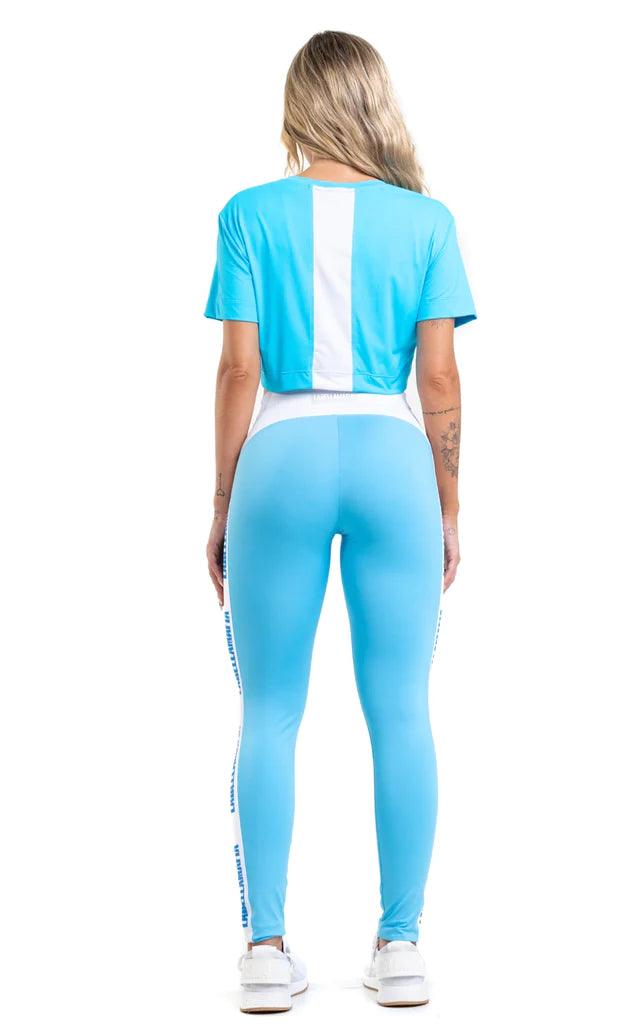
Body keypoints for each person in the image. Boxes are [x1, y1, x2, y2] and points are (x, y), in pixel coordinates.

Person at [204, 30, 477, 1013]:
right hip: (393, 458)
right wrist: (448, 504)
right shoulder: (427, 222)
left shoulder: (248, 214)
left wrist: (222, 499)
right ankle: (400, 946)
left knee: (269, 710)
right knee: (401, 709)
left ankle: (265, 952)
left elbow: (240, 368)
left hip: (279, 456)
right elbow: (438, 379)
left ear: (298, 107)